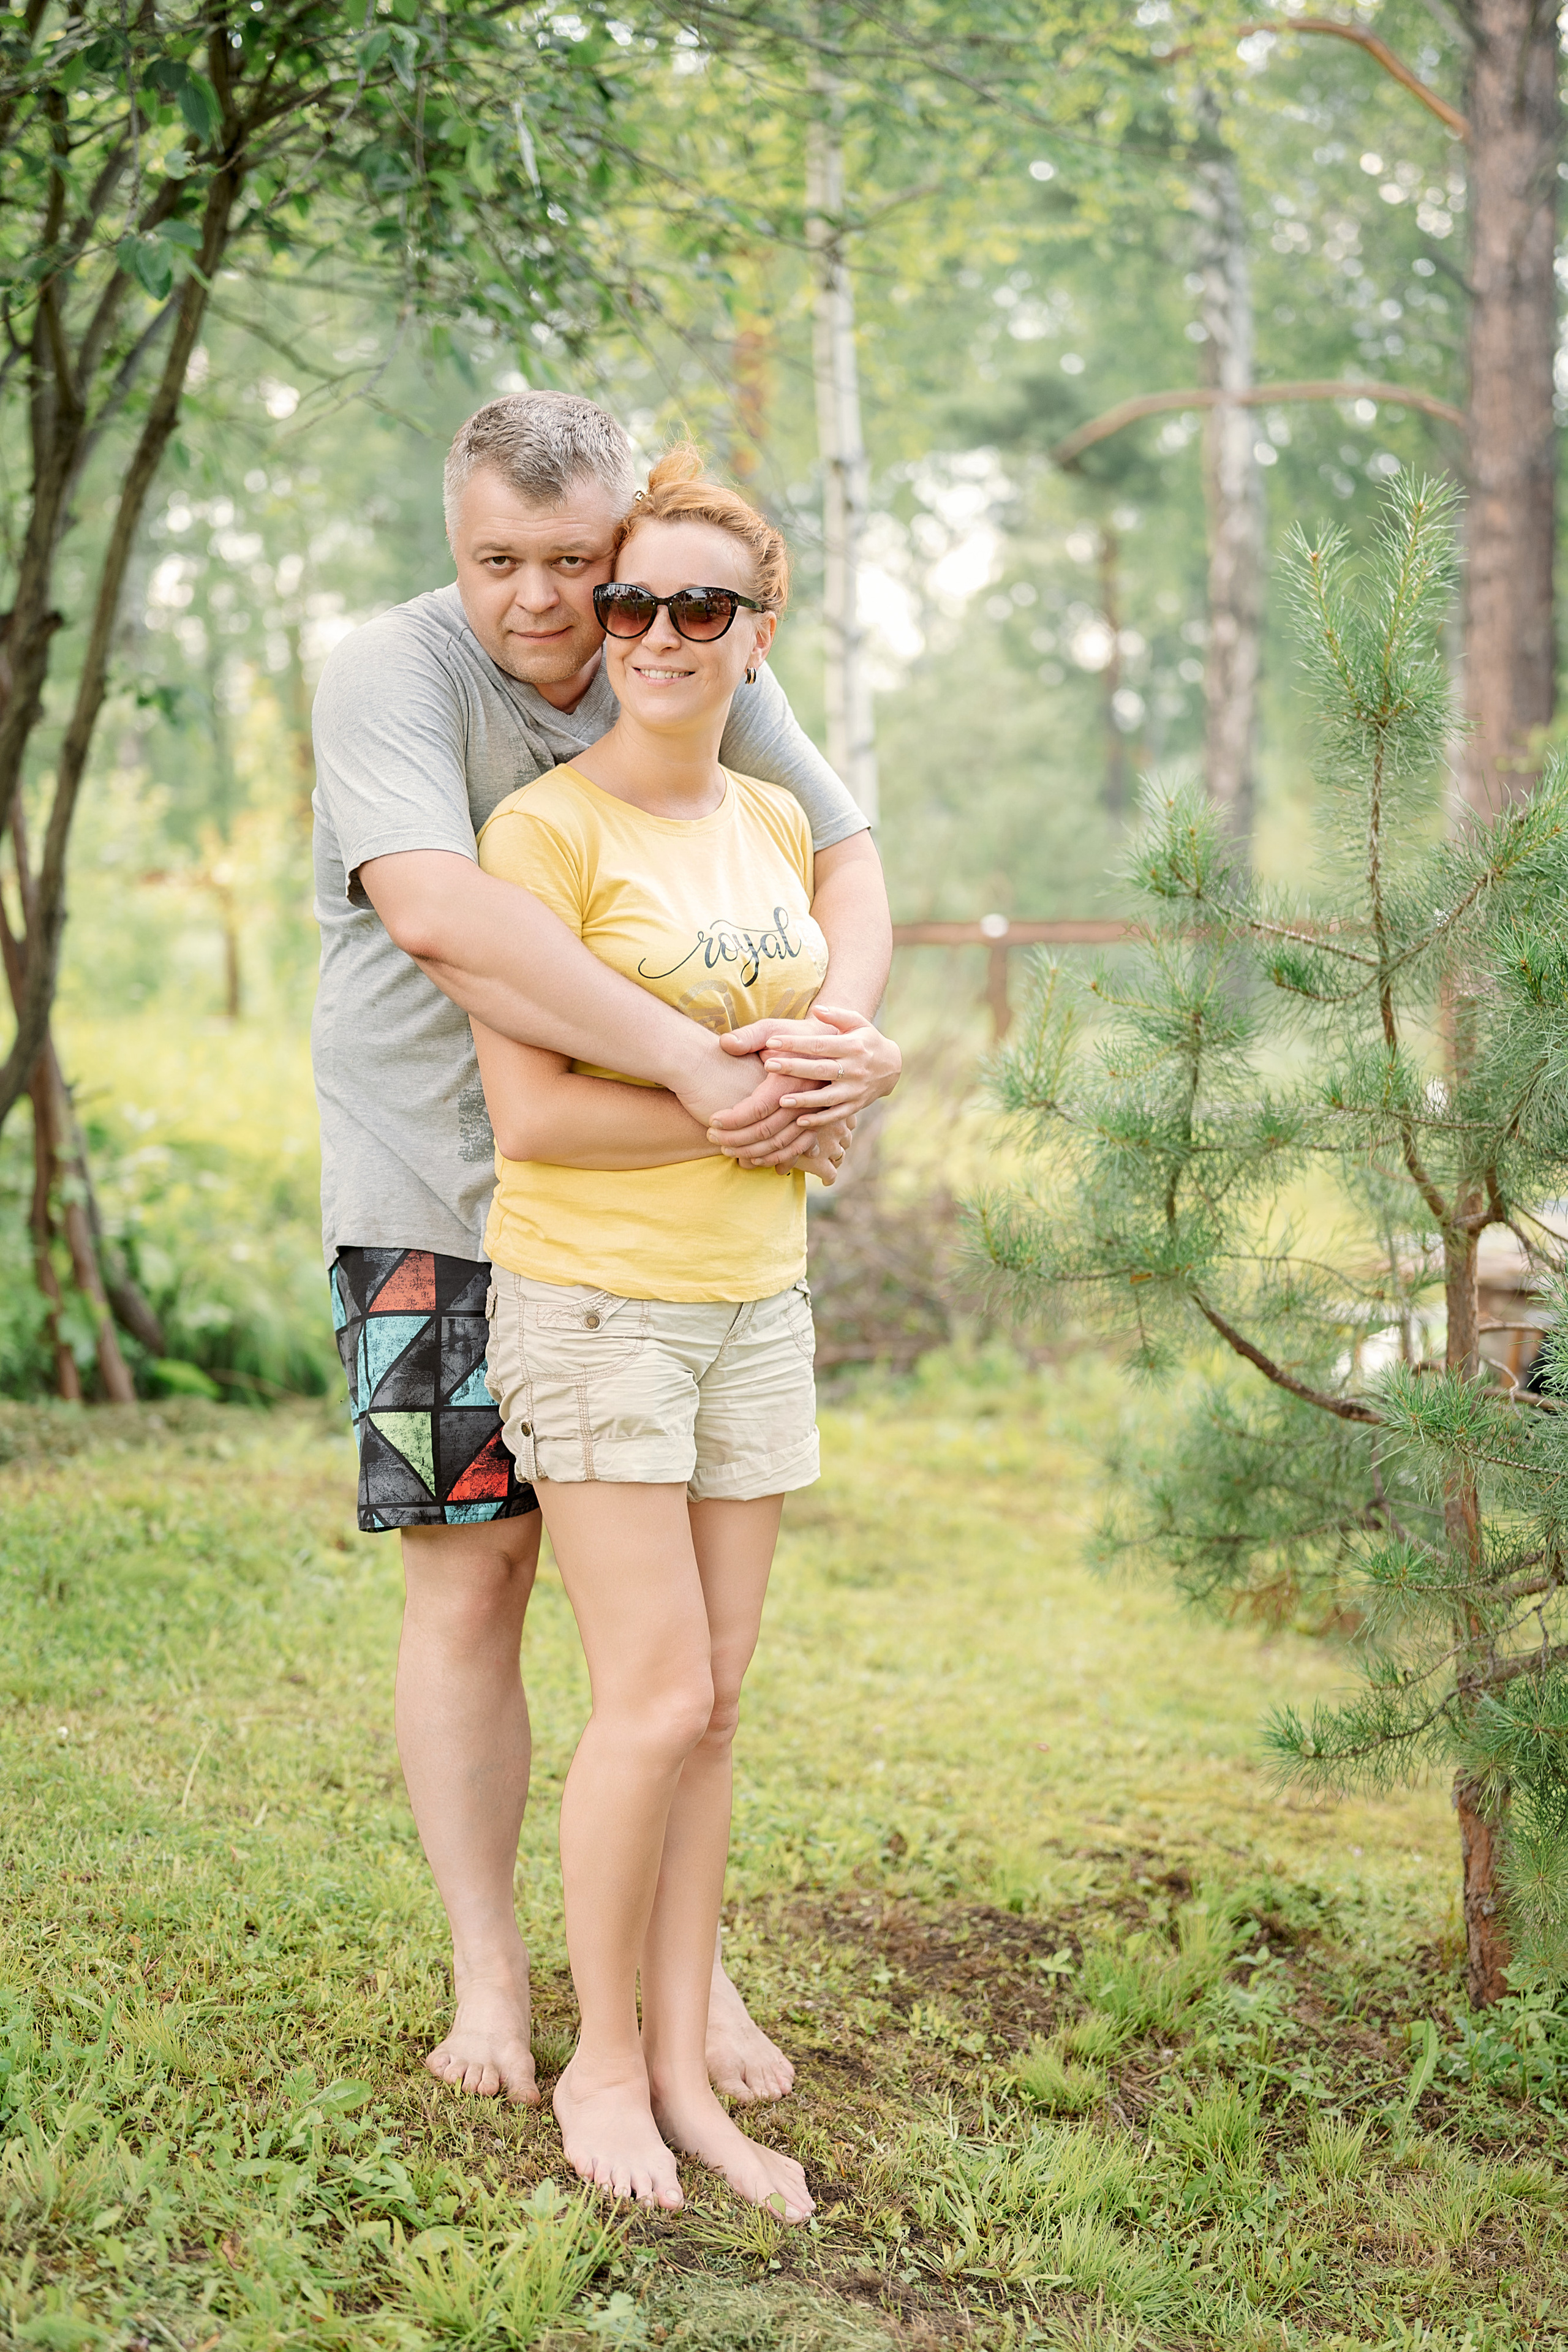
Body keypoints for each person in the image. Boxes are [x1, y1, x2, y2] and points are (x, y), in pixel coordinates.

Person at [309, 391, 901, 2112]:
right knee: (472, 1574)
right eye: (503, 560)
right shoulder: (395, 674)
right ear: (455, 540)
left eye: (578, 560)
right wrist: (705, 1068)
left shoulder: (679, 627)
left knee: (678, 1654)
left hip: (664, 1216)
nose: (549, 605)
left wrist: (836, 1036)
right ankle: (492, 1983)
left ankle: (678, 1988)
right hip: (439, 1195)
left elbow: (841, 855)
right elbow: (440, 911)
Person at [474, 446, 828, 2218]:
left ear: (759, 640)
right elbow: (531, 1115)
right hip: (598, 1296)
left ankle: (689, 2066)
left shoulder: (771, 827)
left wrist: (820, 1096)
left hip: (758, 1300)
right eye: (634, 602)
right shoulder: (545, 832)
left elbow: (810, 1068)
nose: (659, 632)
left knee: (720, 1704)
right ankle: (600, 2066)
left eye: (703, 606)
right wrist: (735, 1114)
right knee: (654, 1691)